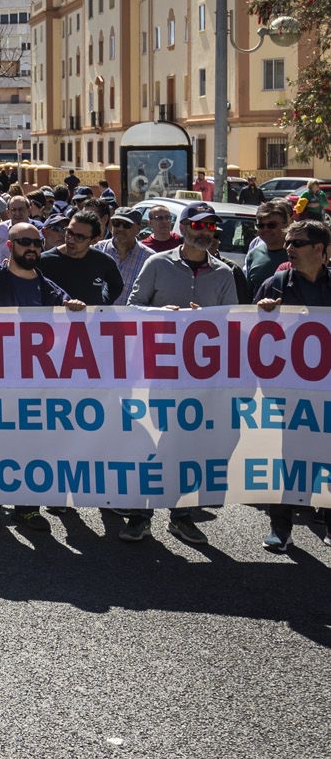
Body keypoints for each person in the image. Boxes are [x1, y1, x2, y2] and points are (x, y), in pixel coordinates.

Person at [124, 202, 242, 545]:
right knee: (155, 444)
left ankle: (181, 516)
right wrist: (161, 314)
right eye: (199, 225)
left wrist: (207, 318)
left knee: (190, 445)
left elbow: (231, 321)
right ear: (185, 226)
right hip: (158, 371)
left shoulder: (223, 273)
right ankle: (140, 515)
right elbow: (131, 309)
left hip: (199, 377)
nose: (205, 231)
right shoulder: (157, 264)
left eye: (210, 227)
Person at [0, 221, 86, 533]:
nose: (32, 248)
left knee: (34, 446)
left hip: (39, 386)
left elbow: (74, 324)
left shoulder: (50, 289)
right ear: (10, 246)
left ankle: (27, 507)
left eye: (37, 242)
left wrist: (75, 308)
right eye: (24, 242)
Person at [252, 218, 331, 552]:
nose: (289, 249)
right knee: (286, 458)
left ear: (320, 249)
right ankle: (280, 528)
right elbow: (249, 335)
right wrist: (261, 314)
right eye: (288, 243)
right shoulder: (276, 284)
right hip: (287, 391)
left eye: (297, 243)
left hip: (327, 390)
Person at [36, 208, 124, 305]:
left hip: (92, 320)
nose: (71, 240)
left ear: (94, 240)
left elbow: (117, 286)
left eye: (79, 237)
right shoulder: (44, 261)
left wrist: (102, 304)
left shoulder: (103, 261)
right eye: (69, 232)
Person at [94, 207, 153, 302]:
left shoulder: (149, 259)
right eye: (116, 223)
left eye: (127, 225)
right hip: (98, 315)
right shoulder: (97, 250)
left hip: (133, 316)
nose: (120, 228)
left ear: (138, 229)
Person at [244, 199, 292, 289]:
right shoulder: (253, 254)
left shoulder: (297, 253)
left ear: (286, 225)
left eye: (272, 225)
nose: (266, 229)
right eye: (261, 226)